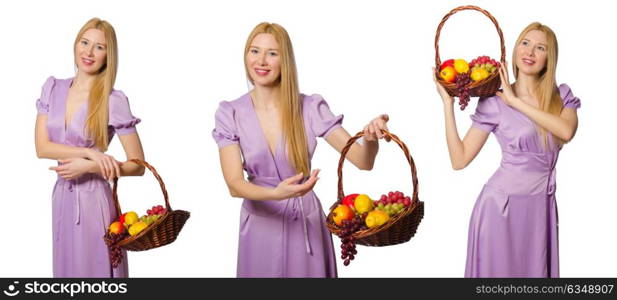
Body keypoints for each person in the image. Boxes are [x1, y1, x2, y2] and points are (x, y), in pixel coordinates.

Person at [212, 22, 390, 277]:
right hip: (259, 227)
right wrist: (277, 193)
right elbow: (234, 184)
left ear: (285, 60)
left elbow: (363, 161)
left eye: (272, 53)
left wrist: (371, 136)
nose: (261, 61)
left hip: (305, 224)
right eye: (254, 51)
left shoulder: (309, 107)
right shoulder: (230, 113)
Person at [434, 22, 580, 277]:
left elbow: (565, 131)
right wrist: (447, 105)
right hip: (500, 209)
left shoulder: (562, 97)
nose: (530, 52)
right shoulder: (494, 101)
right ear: (514, 50)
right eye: (525, 43)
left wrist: (517, 102)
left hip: (540, 209)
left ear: (549, 58)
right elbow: (459, 160)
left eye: (540, 47)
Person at [34, 18, 145, 277]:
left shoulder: (112, 100)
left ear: (109, 56)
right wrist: (89, 152)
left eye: (99, 47)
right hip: (62, 196)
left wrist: (93, 166)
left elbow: (138, 165)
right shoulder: (53, 88)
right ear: (76, 44)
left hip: (95, 199)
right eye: (85, 42)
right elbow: (42, 148)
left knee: (97, 272)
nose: (89, 52)